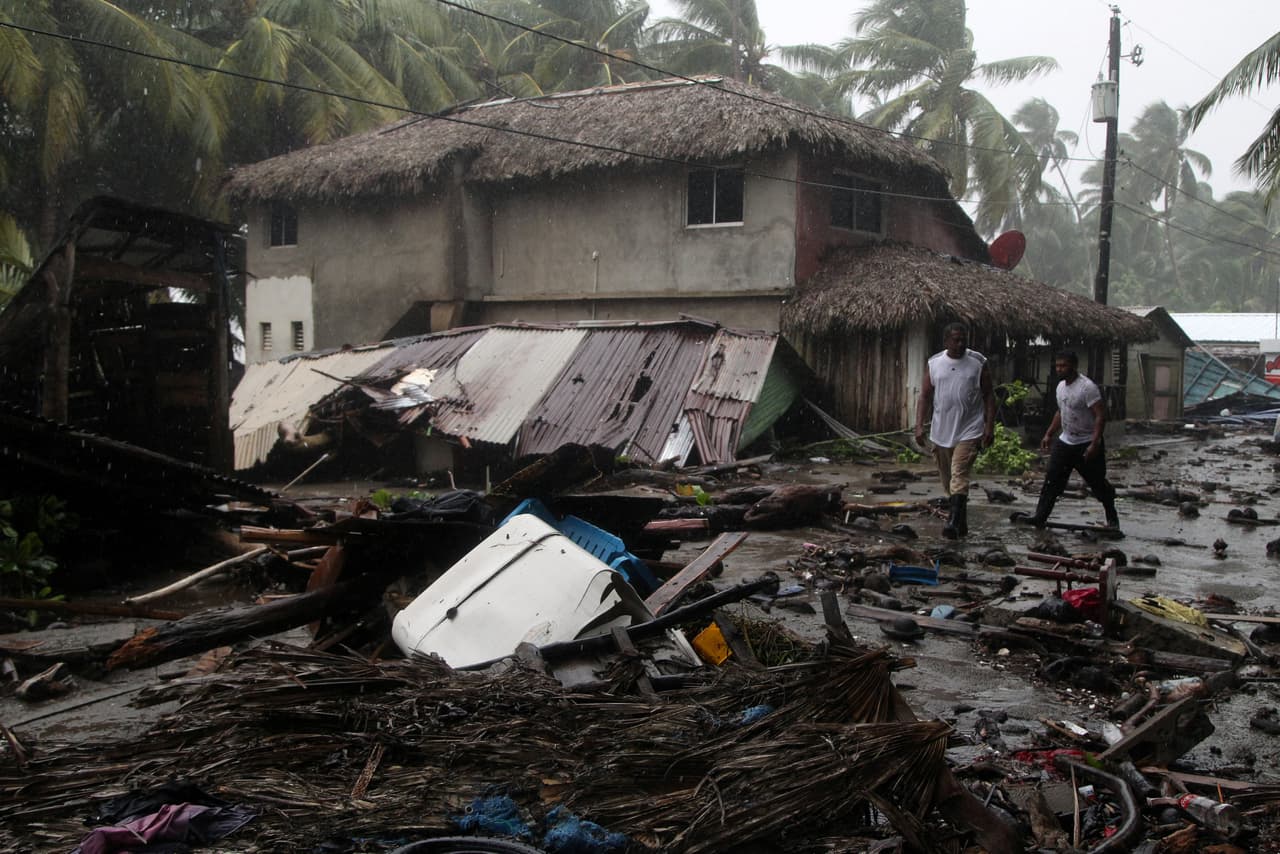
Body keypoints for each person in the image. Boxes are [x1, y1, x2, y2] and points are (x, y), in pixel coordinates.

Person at [914, 322, 996, 538]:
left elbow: (989, 395)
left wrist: (989, 426)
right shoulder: (934, 363)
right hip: (941, 430)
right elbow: (924, 396)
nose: (960, 344)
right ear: (946, 342)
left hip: (970, 429)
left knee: (959, 473)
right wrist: (919, 425)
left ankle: (951, 521)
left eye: (963, 340)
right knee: (948, 479)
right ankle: (961, 524)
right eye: (956, 340)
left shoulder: (978, 362)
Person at [1030, 350, 1120, 530]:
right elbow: (1061, 411)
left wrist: (1095, 443)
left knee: (1097, 483)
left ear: (1073, 366)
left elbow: (1100, 416)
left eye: (1063, 365)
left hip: (1086, 442)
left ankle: (1112, 517)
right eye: (1057, 365)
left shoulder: (1087, 387)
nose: (1059, 369)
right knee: (1052, 481)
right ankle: (1040, 517)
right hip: (1065, 441)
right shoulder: (1060, 387)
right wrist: (1049, 433)